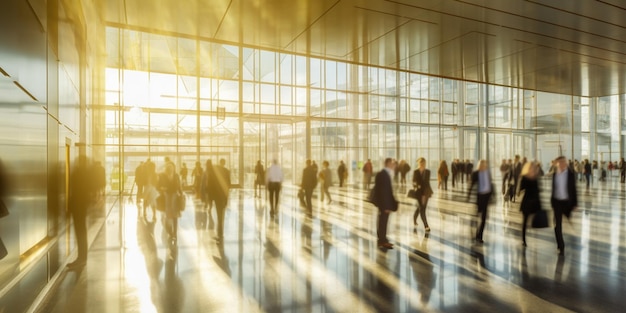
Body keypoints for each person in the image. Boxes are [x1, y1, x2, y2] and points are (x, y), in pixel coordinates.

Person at [67, 155, 95, 269]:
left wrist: (71, 207)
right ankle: (82, 258)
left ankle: (82, 258)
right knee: (81, 232)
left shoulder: (80, 173)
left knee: (80, 232)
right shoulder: (85, 173)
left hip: (78, 206)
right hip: (80, 206)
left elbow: (76, 191)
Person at [551, 156, 577, 256]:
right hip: (557, 202)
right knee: (557, 225)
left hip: (567, 202)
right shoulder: (555, 174)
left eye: (564, 162)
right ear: (558, 163)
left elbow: (574, 189)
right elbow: (553, 189)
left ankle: (569, 218)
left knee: (567, 216)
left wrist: (575, 203)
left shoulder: (570, 174)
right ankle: (560, 245)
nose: (562, 164)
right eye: (560, 162)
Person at [370, 158, 398, 249]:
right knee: (383, 221)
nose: (393, 165)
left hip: (384, 203)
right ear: (388, 163)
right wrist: (386, 206)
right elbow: (383, 192)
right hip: (384, 204)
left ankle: (383, 239)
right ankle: (382, 240)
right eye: (392, 163)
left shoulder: (386, 174)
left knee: (383, 221)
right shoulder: (383, 174)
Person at [467, 160, 493, 244]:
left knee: (484, 218)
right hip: (479, 198)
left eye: (485, 165)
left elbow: (490, 185)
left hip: (486, 198)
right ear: (479, 166)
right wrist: (468, 196)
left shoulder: (488, 173)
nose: (483, 166)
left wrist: (491, 196)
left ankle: (480, 236)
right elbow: (471, 185)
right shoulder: (475, 173)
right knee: (476, 217)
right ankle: (474, 232)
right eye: (482, 165)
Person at [518, 162, 541, 247]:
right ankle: (523, 239)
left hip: (535, 202)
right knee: (525, 222)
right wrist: (521, 180)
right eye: (531, 167)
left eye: (533, 167)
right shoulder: (524, 177)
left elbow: (538, 190)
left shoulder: (536, 177)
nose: (532, 169)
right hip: (527, 202)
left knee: (534, 220)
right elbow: (521, 189)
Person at [158, 162, 182, 242]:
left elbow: (179, 185)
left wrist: (181, 193)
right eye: (169, 169)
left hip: (175, 197)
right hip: (167, 197)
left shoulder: (176, 176)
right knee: (167, 216)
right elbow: (158, 186)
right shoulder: (163, 176)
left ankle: (174, 233)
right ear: (167, 170)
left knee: (175, 216)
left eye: (172, 169)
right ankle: (170, 232)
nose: (171, 170)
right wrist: (162, 189)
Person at [212, 159, 231, 241]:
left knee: (219, 214)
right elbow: (229, 184)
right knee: (221, 214)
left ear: (220, 163)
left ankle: (219, 233)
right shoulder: (227, 171)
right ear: (225, 163)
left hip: (217, 196)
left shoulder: (217, 172)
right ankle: (220, 233)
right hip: (224, 195)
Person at [412, 158, 433, 232]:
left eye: (424, 163)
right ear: (419, 163)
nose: (422, 164)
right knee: (422, 209)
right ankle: (426, 226)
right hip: (418, 193)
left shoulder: (428, 172)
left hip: (426, 193)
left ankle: (414, 218)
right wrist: (416, 186)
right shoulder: (416, 171)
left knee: (421, 208)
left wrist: (429, 191)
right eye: (421, 163)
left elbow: (427, 182)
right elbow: (413, 181)